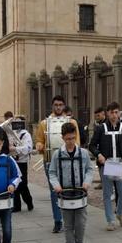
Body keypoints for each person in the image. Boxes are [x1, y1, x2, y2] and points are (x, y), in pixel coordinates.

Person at [48, 122, 93, 243]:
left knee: (81, 222)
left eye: (73, 138)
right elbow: (52, 172)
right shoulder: (57, 154)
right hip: (65, 193)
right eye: (68, 139)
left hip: (80, 192)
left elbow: (89, 170)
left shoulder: (83, 153)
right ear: (63, 138)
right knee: (68, 224)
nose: (70, 141)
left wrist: (87, 182)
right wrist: (56, 185)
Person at [35, 96, 80, 233]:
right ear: (52, 106)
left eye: (61, 105)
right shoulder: (44, 123)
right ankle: (57, 220)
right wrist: (39, 145)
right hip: (50, 162)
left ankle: (70, 220)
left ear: (64, 106)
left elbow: (77, 141)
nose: (58, 107)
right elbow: (39, 140)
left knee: (69, 190)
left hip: (69, 161)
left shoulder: (71, 122)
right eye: (56, 105)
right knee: (55, 192)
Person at [89, 102, 122, 230]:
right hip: (107, 164)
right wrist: (98, 155)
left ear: (119, 113)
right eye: (111, 112)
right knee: (107, 193)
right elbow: (92, 145)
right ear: (107, 113)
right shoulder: (101, 128)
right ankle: (110, 220)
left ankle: (119, 213)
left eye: (116, 112)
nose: (114, 115)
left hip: (120, 164)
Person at [5, 114, 34, 212]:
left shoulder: (26, 134)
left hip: (22, 161)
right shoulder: (11, 133)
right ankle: (17, 206)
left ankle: (29, 201)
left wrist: (15, 148)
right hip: (13, 160)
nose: (16, 124)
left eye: (19, 122)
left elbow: (28, 148)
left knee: (23, 184)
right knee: (14, 182)